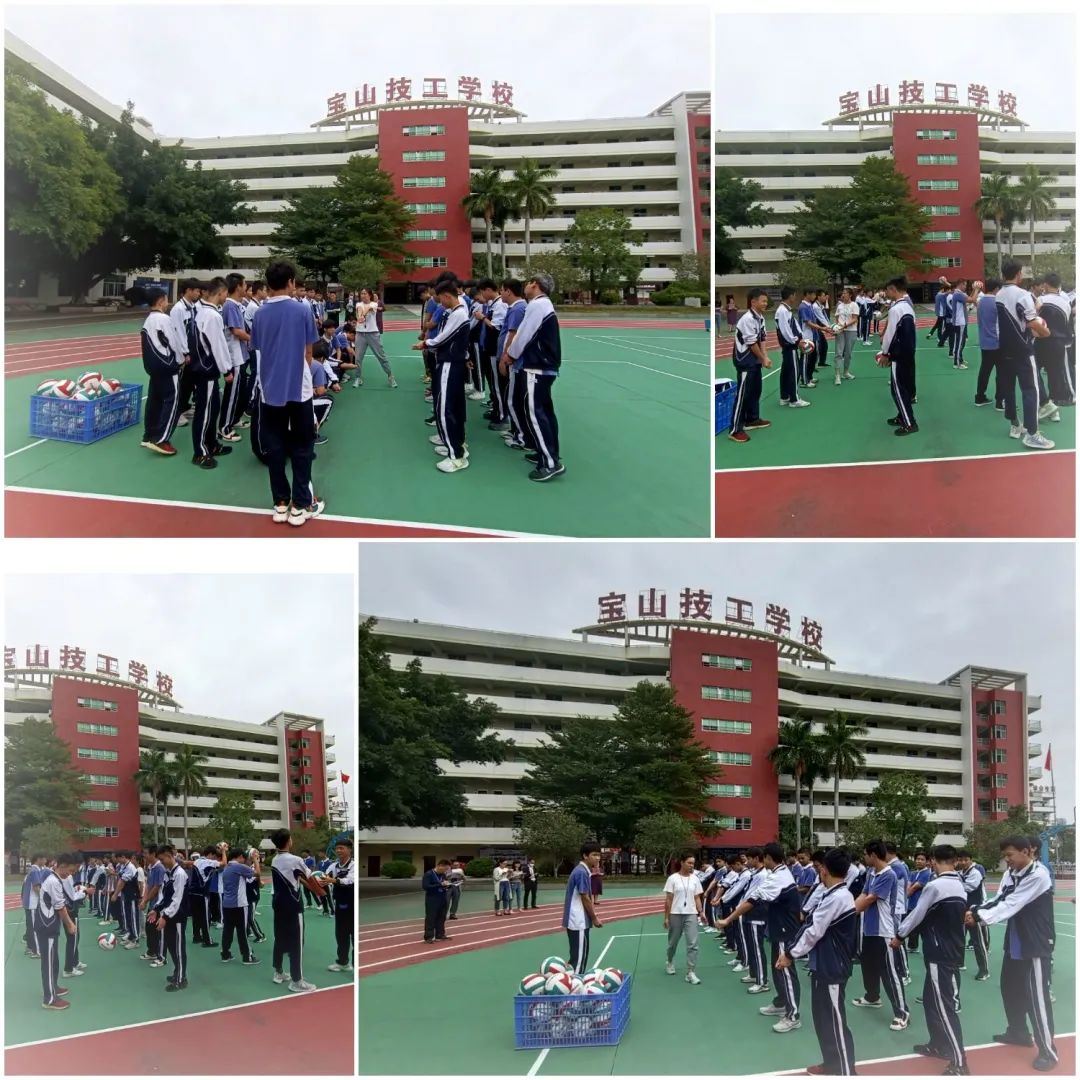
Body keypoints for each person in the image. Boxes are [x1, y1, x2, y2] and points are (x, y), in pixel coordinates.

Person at [969, 835, 1057, 1071]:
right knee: (1010, 989)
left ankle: (1049, 1052)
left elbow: (1013, 903)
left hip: (1035, 944)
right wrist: (976, 909)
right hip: (1016, 941)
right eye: (1005, 856)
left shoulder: (1038, 874)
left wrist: (978, 916)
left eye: (1009, 855)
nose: (1006, 860)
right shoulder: (1011, 873)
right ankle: (1018, 1032)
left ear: (1027, 851)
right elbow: (1001, 897)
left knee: (1037, 999)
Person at [249, 261, 323, 524]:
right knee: (302, 445)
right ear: (291, 281)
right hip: (299, 388)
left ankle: (280, 502)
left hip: (270, 389)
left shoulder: (259, 313)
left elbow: (258, 348)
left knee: (275, 446)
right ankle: (300, 505)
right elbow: (309, 351)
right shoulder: (302, 309)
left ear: (269, 283)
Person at [893, 844, 968, 1076]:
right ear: (955, 861)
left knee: (944, 1007)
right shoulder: (959, 883)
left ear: (933, 861)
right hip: (950, 949)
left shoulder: (936, 886)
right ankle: (938, 1044)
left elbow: (918, 914)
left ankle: (960, 1062)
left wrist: (900, 935)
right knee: (930, 1000)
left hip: (939, 951)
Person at [782, 847, 858, 1076]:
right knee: (823, 1019)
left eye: (820, 868)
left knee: (834, 1021)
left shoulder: (838, 897)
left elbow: (813, 930)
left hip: (832, 966)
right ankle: (832, 1064)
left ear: (824, 870)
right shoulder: (832, 894)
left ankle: (845, 1070)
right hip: (823, 965)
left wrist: (789, 954)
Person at [506, 273, 564, 481]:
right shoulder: (544, 305)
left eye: (528, 283)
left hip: (536, 367)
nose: (526, 287)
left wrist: (510, 355)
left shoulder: (537, 305)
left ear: (535, 285)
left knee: (536, 414)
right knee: (545, 413)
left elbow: (524, 334)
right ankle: (546, 452)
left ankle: (550, 463)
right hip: (544, 366)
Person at [996, 259, 1055, 450]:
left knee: (1009, 389)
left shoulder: (999, 295)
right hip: (1023, 350)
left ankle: (1015, 424)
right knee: (1030, 390)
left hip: (1004, 349)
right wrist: (1046, 332)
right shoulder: (1022, 294)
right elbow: (1030, 321)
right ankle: (1032, 434)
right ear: (1018, 274)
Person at [852, 840, 909, 1030]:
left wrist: (846, 911)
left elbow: (871, 898)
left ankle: (902, 1012)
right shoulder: (871, 872)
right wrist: (850, 908)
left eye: (865, 854)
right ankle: (872, 997)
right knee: (868, 965)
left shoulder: (888, 874)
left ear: (873, 855)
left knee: (889, 972)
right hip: (869, 929)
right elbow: (863, 894)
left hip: (884, 931)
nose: (864, 858)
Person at [187, 277, 234, 470]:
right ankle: (200, 452)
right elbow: (218, 346)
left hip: (203, 368)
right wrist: (227, 370)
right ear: (221, 293)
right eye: (226, 293)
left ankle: (211, 444)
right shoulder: (212, 316)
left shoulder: (202, 311)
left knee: (213, 408)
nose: (226, 297)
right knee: (204, 411)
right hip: (206, 369)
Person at [268, 828, 323, 993]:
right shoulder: (295, 860)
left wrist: (312, 887)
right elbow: (310, 878)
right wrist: (321, 892)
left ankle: (278, 972)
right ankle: (297, 981)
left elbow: (297, 878)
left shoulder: (275, 859)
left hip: (278, 904)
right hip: (292, 905)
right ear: (288, 841)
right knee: (297, 943)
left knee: (280, 938)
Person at [139, 288, 186, 455]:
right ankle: (161, 439)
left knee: (154, 401)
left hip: (153, 368)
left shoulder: (148, 320)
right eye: (166, 300)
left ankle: (148, 436)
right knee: (172, 402)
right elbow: (174, 342)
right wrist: (181, 361)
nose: (167, 303)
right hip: (168, 367)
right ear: (160, 301)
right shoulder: (164, 319)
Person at [717, 846, 770, 994]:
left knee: (757, 949)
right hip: (748, 913)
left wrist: (738, 910)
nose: (746, 862)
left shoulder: (762, 875)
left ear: (756, 859)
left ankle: (762, 981)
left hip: (756, 914)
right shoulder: (755, 873)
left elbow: (752, 896)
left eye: (749, 859)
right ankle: (754, 974)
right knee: (751, 946)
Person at [35, 852, 79, 1011]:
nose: (70, 874)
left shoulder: (55, 878)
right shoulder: (53, 881)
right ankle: (49, 999)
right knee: (48, 962)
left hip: (49, 925)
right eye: (70, 870)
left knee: (53, 959)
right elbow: (60, 906)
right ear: (62, 866)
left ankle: (53, 987)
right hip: (47, 926)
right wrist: (70, 924)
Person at [728, 290, 773, 443]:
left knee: (755, 390)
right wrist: (763, 358)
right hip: (745, 361)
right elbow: (752, 343)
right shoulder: (747, 319)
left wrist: (765, 357)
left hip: (755, 361)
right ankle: (735, 430)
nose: (765, 303)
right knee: (743, 395)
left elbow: (762, 338)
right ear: (753, 302)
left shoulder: (760, 318)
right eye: (763, 301)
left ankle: (752, 419)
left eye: (766, 301)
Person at [876, 277, 918, 437]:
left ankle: (909, 423)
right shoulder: (908, 306)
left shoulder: (895, 309)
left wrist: (885, 353)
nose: (886, 293)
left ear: (893, 289)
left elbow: (890, 334)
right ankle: (902, 416)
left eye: (887, 290)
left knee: (898, 390)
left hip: (899, 355)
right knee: (904, 388)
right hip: (908, 352)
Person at [147, 845, 189, 992]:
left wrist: (164, 916)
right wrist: (156, 909)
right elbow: (164, 896)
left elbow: (177, 900)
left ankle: (181, 980)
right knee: (171, 947)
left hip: (178, 917)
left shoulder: (180, 874)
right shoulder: (167, 874)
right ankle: (178, 973)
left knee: (178, 949)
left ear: (169, 856)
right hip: (169, 916)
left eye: (162, 859)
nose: (161, 862)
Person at [498, 278, 531, 452]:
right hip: (516, 361)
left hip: (516, 362)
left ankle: (522, 438)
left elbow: (513, 335)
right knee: (515, 399)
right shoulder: (517, 308)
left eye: (502, 290)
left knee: (514, 401)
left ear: (508, 291)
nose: (500, 294)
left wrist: (505, 357)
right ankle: (517, 431)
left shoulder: (518, 309)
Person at [663, 852, 704, 984]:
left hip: (691, 914)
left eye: (693, 863)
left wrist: (701, 912)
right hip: (675, 914)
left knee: (693, 944)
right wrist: (666, 918)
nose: (692, 865)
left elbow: (697, 897)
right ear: (682, 862)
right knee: (672, 943)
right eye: (689, 863)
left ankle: (691, 972)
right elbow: (669, 900)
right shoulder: (673, 878)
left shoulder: (695, 879)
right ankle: (670, 961)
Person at [219, 272, 250, 443]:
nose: (246, 288)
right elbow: (236, 331)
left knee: (240, 392)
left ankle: (235, 419)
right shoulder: (230, 306)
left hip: (241, 355)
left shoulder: (236, 305)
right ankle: (224, 427)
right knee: (232, 394)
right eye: (244, 285)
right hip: (234, 357)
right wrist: (254, 339)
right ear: (238, 287)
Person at [563, 843, 603, 974]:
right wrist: (594, 918)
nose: (598, 858)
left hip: (577, 920)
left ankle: (571, 981)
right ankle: (575, 984)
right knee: (579, 961)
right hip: (578, 921)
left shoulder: (582, 870)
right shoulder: (581, 872)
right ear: (585, 856)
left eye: (599, 855)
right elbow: (584, 897)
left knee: (576, 957)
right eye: (594, 855)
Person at [1036, 272, 1073, 409]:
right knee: (1055, 373)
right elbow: (1068, 324)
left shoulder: (1040, 300)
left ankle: (1044, 402)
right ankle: (1054, 404)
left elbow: (1033, 318)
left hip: (1041, 341)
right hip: (1059, 343)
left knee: (1033, 371)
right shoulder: (1066, 302)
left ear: (1045, 284)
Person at [774, 286, 812, 408]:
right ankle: (794, 400)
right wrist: (796, 341)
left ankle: (785, 397)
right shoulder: (783, 311)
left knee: (786, 371)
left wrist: (800, 338)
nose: (795, 297)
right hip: (790, 346)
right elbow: (785, 330)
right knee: (794, 372)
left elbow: (793, 326)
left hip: (789, 346)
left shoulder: (786, 310)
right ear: (790, 296)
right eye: (794, 295)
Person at [220, 848, 258, 965]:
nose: (245, 860)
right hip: (239, 904)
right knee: (242, 932)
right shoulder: (239, 867)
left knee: (228, 931)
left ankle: (225, 954)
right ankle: (247, 956)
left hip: (227, 904)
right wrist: (255, 860)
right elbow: (257, 873)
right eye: (244, 858)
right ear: (240, 856)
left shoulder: (226, 868)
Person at [353, 286, 397, 388]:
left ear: (370, 295)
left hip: (372, 334)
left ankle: (390, 376)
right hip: (360, 334)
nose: (363, 295)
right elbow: (359, 310)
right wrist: (359, 317)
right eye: (361, 293)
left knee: (381, 356)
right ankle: (358, 378)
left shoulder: (374, 304)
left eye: (365, 293)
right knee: (358, 358)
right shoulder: (358, 304)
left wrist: (362, 316)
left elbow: (368, 309)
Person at [974, 278, 1004, 408]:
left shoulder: (980, 302)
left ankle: (979, 397)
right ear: (996, 288)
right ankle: (1000, 401)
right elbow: (1000, 325)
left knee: (984, 371)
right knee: (1001, 372)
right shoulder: (997, 302)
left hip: (984, 341)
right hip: (996, 343)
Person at [326, 839, 355, 970]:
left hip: (353, 905)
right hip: (340, 904)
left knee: (354, 935)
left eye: (341, 848)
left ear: (349, 850)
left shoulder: (353, 865)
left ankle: (355, 966)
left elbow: (350, 880)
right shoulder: (334, 866)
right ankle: (342, 962)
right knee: (341, 935)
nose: (338, 850)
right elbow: (324, 876)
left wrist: (333, 880)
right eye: (337, 848)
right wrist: (320, 879)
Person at [905, 851, 932, 955]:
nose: (919, 861)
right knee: (912, 926)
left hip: (921, 904)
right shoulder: (913, 873)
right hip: (911, 904)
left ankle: (927, 948)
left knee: (922, 927)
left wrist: (906, 895)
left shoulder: (927, 873)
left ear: (927, 862)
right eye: (917, 859)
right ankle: (913, 946)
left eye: (922, 859)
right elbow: (908, 885)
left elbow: (914, 888)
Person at [21, 852, 47, 958]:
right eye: (44, 858)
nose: (45, 861)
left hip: (28, 903)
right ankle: (37, 951)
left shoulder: (31, 870)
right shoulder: (35, 871)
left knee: (30, 927)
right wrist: (44, 898)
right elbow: (36, 888)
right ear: (39, 859)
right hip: (32, 903)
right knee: (34, 928)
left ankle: (30, 947)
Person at [832, 288, 859, 385]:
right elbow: (836, 318)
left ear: (850, 295)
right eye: (842, 293)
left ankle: (846, 372)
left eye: (845, 293)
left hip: (851, 331)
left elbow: (855, 319)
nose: (843, 295)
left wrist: (845, 325)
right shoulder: (839, 305)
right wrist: (836, 327)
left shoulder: (854, 305)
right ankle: (837, 375)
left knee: (848, 353)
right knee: (838, 353)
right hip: (840, 331)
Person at [422, 858, 452, 945]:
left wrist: (448, 885)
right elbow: (425, 886)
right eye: (445, 869)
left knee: (442, 917)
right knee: (431, 918)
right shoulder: (429, 874)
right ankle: (428, 937)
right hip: (432, 899)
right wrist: (440, 884)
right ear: (440, 866)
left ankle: (440, 934)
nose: (445, 871)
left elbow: (444, 884)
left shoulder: (443, 874)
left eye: (447, 869)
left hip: (442, 897)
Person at [798, 289, 822, 386]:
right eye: (813, 294)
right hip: (806, 337)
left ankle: (809, 377)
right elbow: (807, 322)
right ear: (807, 294)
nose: (815, 296)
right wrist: (822, 328)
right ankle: (804, 381)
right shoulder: (803, 307)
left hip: (813, 335)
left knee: (812, 358)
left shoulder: (810, 305)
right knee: (805, 359)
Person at [948, 279, 971, 368]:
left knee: (961, 342)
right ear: (961, 284)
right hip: (959, 322)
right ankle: (957, 363)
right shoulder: (958, 294)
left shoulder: (959, 293)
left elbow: (970, 298)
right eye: (964, 285)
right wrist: (977, 289)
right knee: (959, 343)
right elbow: (972, 300)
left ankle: (959, 358)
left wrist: (974, 290)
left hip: (960, 322)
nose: (965, 287)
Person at [929, 282, 951, 347]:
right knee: (941, 327)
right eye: (947, 290)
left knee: (939, 325)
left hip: (939, 313)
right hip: (942, 313)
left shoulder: (937, 295)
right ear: (943, 289)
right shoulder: (941, 295)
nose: (948, 291)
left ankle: (933, 334)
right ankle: (940, 339)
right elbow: (949, 292)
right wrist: (945, 282)